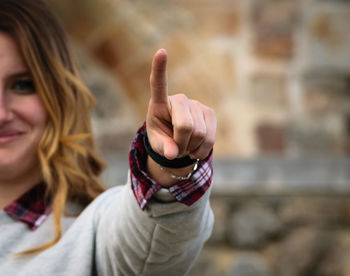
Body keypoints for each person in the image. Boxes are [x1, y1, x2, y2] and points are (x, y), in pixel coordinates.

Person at [0, 0, 217, 275]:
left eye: (22, 85)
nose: (2, 113)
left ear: (59, 93)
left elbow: (151, 243)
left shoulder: (96, 233)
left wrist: (169, 163)